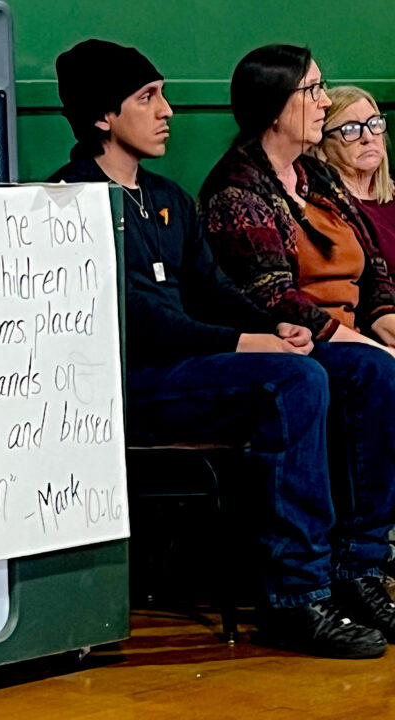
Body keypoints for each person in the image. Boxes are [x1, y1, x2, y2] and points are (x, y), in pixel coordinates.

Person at [50, 38, 395, 659]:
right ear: (103, 116)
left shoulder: (166, 198)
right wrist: (247, 340)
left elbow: (213, 288)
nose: (167, 112)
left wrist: (280, 328)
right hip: (127, 383)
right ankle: (295, 597)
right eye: (147, 98)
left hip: (196, 368)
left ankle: (357, 569)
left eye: (163, 95)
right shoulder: (67, 202)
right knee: (294, 382)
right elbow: (138, 321)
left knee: (363, 367)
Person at [201, 47, 395, 353]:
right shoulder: (235, 190)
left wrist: (386, 325)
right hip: (302, 346)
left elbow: (375, 269)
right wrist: (380, 351)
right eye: (313, 90)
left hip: (355, 339)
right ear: (275, 107)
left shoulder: (318, 175)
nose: (326, 102)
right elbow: (276, 299)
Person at [314, 85, 395, 270]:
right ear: (322, 144)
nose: (368, 137)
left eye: (374, 124)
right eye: (350, 129)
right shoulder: (329, 212)